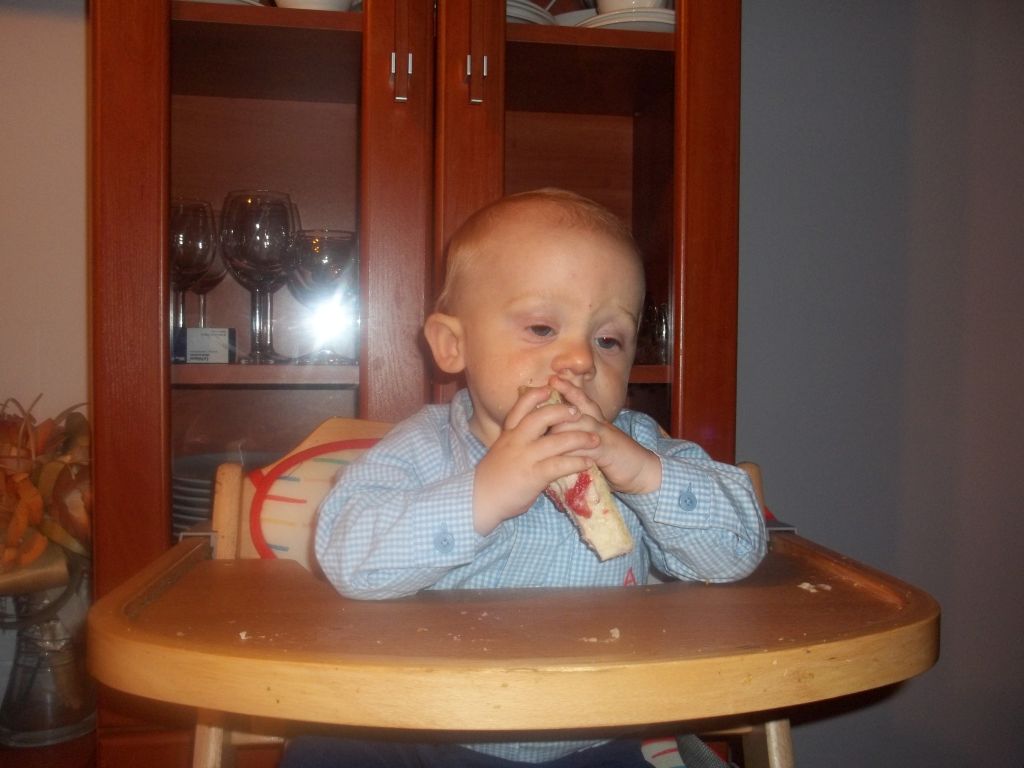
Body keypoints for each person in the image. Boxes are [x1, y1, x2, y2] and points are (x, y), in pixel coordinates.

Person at [283, 188, 767, 767]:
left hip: (595, 734)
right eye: (541, 328)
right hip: (423, 725)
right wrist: (483, 494)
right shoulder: (424, 447)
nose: (581, 360)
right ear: (453, 345)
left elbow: (738, 547)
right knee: (325, 747)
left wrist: (643, 474)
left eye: (608, 339)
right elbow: (345, 555)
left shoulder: (636, 445)